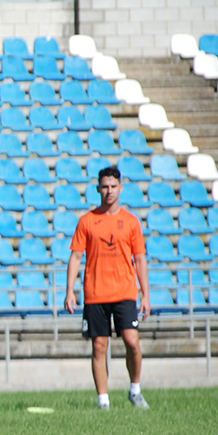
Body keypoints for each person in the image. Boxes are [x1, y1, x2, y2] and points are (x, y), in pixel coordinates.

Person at [64, 166, 151, 410]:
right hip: (95, 293)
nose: (109, 191)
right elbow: (75, 257)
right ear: (98, 189)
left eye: (113, 186)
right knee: (99, 346)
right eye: (104, 186)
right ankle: (103, 401)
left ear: (120, 188)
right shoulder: (87, 221)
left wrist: (145, 294)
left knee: (132, 341)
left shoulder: (131, 222)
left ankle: (135, 390)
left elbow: (140, 259)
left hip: (124, 291)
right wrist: (69, 290)